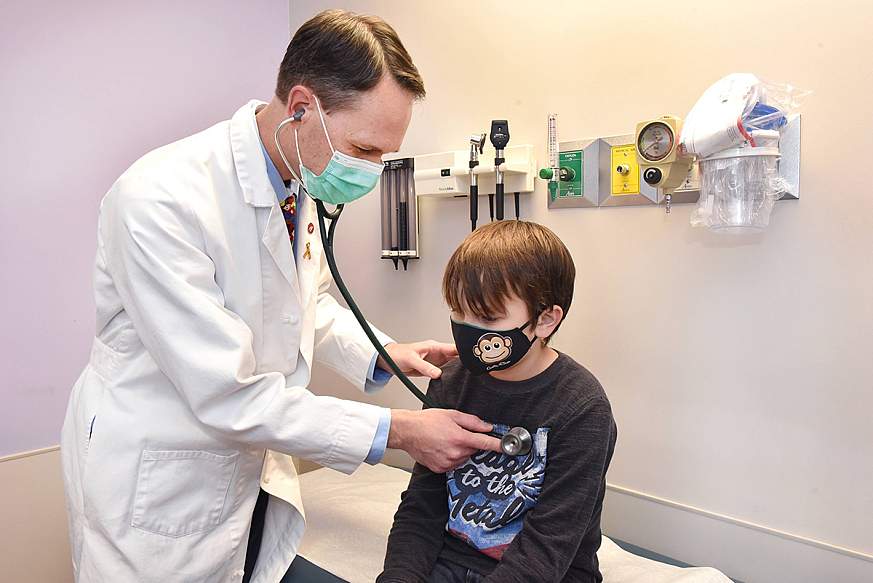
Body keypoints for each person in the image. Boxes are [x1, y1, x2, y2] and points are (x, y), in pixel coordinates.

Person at [60, 9, 500, 583]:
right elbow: (228, 395)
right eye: (364, 149)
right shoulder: (159, 201)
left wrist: (382, 354)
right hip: (159, 482)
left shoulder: (298, 176)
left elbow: (304, 305)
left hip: (246, 474)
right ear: (300, 107)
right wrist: (396, 431)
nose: (372, 172)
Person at [378, 221, 618, 583]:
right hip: (451, 560)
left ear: (545, 320)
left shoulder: (583, 408)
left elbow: (548, 545)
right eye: (459, 312)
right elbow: (421, 508)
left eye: (488, 317)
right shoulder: (450, 382)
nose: (468, 329)